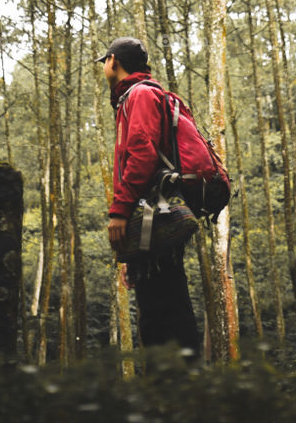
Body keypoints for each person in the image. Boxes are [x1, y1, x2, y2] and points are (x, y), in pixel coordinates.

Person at [98, 36, 201, 355]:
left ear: (113, 61)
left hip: (155, 211)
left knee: (163, 313)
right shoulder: (138, 94)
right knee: (161, 305)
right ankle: (177, 386)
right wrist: (134, 251)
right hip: (151, 217)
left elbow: (142, 156)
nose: (104, 68)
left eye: (104, 62)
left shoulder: (140, 95)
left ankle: (178, 389)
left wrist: (119, 211)